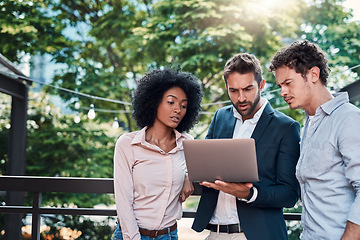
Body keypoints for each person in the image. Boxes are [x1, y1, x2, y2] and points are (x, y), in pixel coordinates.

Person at [192, 53, 301, 240]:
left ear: (261, 85)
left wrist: (250, 194)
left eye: (248, 89)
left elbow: (289, 194)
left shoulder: (286, 127)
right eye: (233, 91)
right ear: (226, 87)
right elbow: (205, 169)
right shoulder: (220, 117)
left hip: (259, 235)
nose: (241, 98)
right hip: (216, 233)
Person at [270, 40, 360, 240]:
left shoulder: (348, 119)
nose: (282, 92)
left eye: (288, 83)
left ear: (313, 75)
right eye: (280, 85)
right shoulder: (310, 124)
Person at [113, 68, 203, 240]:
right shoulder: (127, 144)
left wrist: (187, 175)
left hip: (169, 235)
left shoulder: (187, 143)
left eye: (184, 105)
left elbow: (203, 169)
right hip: (131, 234)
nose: (178, 109)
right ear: (154, 102)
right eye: (171, 102)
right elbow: (123, 202)